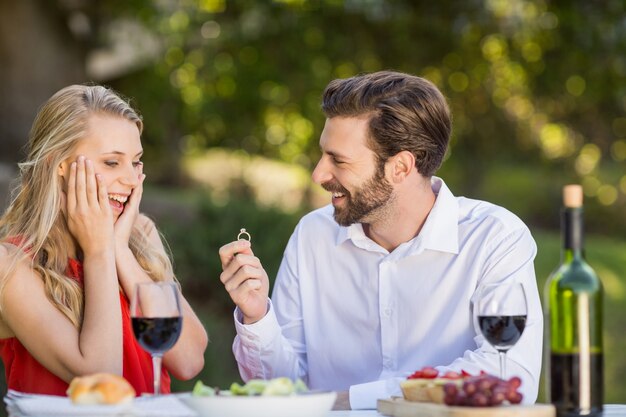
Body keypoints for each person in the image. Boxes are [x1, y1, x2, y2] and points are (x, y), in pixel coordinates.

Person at [218, 71, 542, 409]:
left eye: (338, 160)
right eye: (323, 155)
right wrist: (257, 317)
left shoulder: (494, 238)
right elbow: (282, 391)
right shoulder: (313, 236)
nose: (318, 174)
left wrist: (355, 400)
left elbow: (507, 374)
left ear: (401, 167)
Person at [0, 84, 208, 395]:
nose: (130, 179)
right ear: (59, 164)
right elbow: (100, 373)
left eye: (136, 162)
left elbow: (189, 360)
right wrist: (99, 252)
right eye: (112, 162)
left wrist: (119, 249)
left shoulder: (139, 234)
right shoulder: (11, 264)